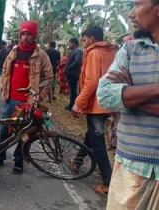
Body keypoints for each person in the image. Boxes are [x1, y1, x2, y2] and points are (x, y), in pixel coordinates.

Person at [97, 0, 159, 208]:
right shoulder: (130, 50)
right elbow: (105, 95)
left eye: (138, 5)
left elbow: (116, 97)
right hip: (131, 167)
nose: (131, 13)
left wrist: (130, 94)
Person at [0, 21, 53, 174]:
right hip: (10, 99)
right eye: (23, 34)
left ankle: (18, 161)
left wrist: (40, 97)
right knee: (4, 131)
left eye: (29, 34)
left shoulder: (41, 55)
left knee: (24, 134)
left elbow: (49, 77)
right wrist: (3, 91)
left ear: (34, 36)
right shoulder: (13, 52)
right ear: (20, 35)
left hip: (29, 102)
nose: (26, 37)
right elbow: (5, 73)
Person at [71, 26, 116, 195]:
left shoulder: (93, 53)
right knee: (91, 135)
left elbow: (91, 82)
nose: (84, 43)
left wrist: (78, 103)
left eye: (84, 40)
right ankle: (78, 161)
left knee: (97, 142)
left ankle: (108, 181)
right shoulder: (111, 51)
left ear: (91, 39)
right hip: (108, 101)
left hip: (97, 103)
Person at [64, 38, 83, 111]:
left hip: (73, 75)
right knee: (72, 91)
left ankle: (72, 106)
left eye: (69, 43)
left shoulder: (78, 51)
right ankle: (72, 105)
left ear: (73, 43)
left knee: (73, 91)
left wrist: (69, 67)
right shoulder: (76, 50)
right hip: (72, 74)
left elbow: (78, 61)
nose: (69, 45)